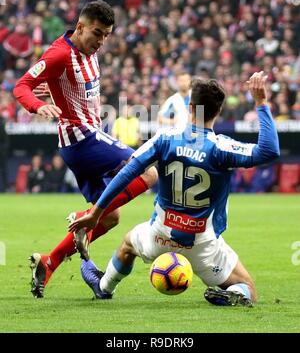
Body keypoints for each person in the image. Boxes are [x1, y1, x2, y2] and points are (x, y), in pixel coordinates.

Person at [69, 72, 280, 307]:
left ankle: (104, 287)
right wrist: (261, 102)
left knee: (128, 244)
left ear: (190, 107)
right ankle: (235, 294)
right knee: (248, 288)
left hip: (159, 235)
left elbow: (128, 172)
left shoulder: (165, 139)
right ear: (218, 111)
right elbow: (269, 150)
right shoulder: (222, 148)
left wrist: (96, 213)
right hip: (202, 245)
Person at [13, 0, 157, 298]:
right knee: (149, 171)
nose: (102, 41)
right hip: (82, 140)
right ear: (80, 27)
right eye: (97, 33)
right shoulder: (59, 54)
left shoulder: (88, 50)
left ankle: (48, 263)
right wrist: (39, 105)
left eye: (106, 35)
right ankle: (87, 215)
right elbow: (21, 86)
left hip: (86, 139)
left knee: (111, 217)